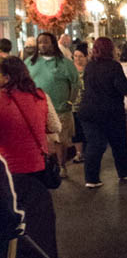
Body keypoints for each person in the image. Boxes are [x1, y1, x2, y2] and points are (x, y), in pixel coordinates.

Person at [0, 56, 61, 258]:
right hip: (38, 171)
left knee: (14, 227)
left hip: (9, 174)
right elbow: (55, 126)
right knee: (39, 226)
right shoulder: (40, 96)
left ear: (6, 76)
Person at [78, 37, 127, 188]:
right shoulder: (113, 66)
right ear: (110, 49)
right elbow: (124, 88)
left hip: (88, 110)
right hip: (110, 110)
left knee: (94, 144)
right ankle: (125, 172)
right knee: (118, 142)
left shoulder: (90, 66)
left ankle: (91, 178)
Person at [27, 32, 80, 177]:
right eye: (40, 42)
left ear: (53, 44)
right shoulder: (30, 62)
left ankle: (61, 166)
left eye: (46, 42)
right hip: (36, 109)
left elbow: (75, 84)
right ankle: (42, 167)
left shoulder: (64, 63)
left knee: (60, 140)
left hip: (60, 108)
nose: (42, 45)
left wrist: (70, 101)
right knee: (40, 140)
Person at [71, 44, 88, 163]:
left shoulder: (90, 69)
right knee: (76, 130)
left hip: (87, 104)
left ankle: (88, 151)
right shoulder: (71, 70)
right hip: (73, 105)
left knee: (86, 129)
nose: (77, 59)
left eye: (81, 56)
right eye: (75, 56)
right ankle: (79, 153)